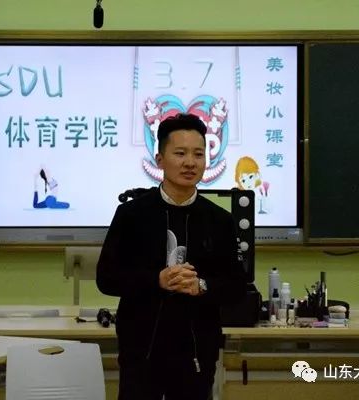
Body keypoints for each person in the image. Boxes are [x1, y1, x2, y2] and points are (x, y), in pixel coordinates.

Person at [96, 113, 247, 400]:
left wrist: (201, 286)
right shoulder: (131, 215)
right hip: (141, 353)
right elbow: (107, 278)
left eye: (198, 154)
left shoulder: (219, 220)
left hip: (196, 354)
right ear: (160, 159)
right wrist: (157, 280)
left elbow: (237, 286)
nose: (190, 162)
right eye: (180, 153)